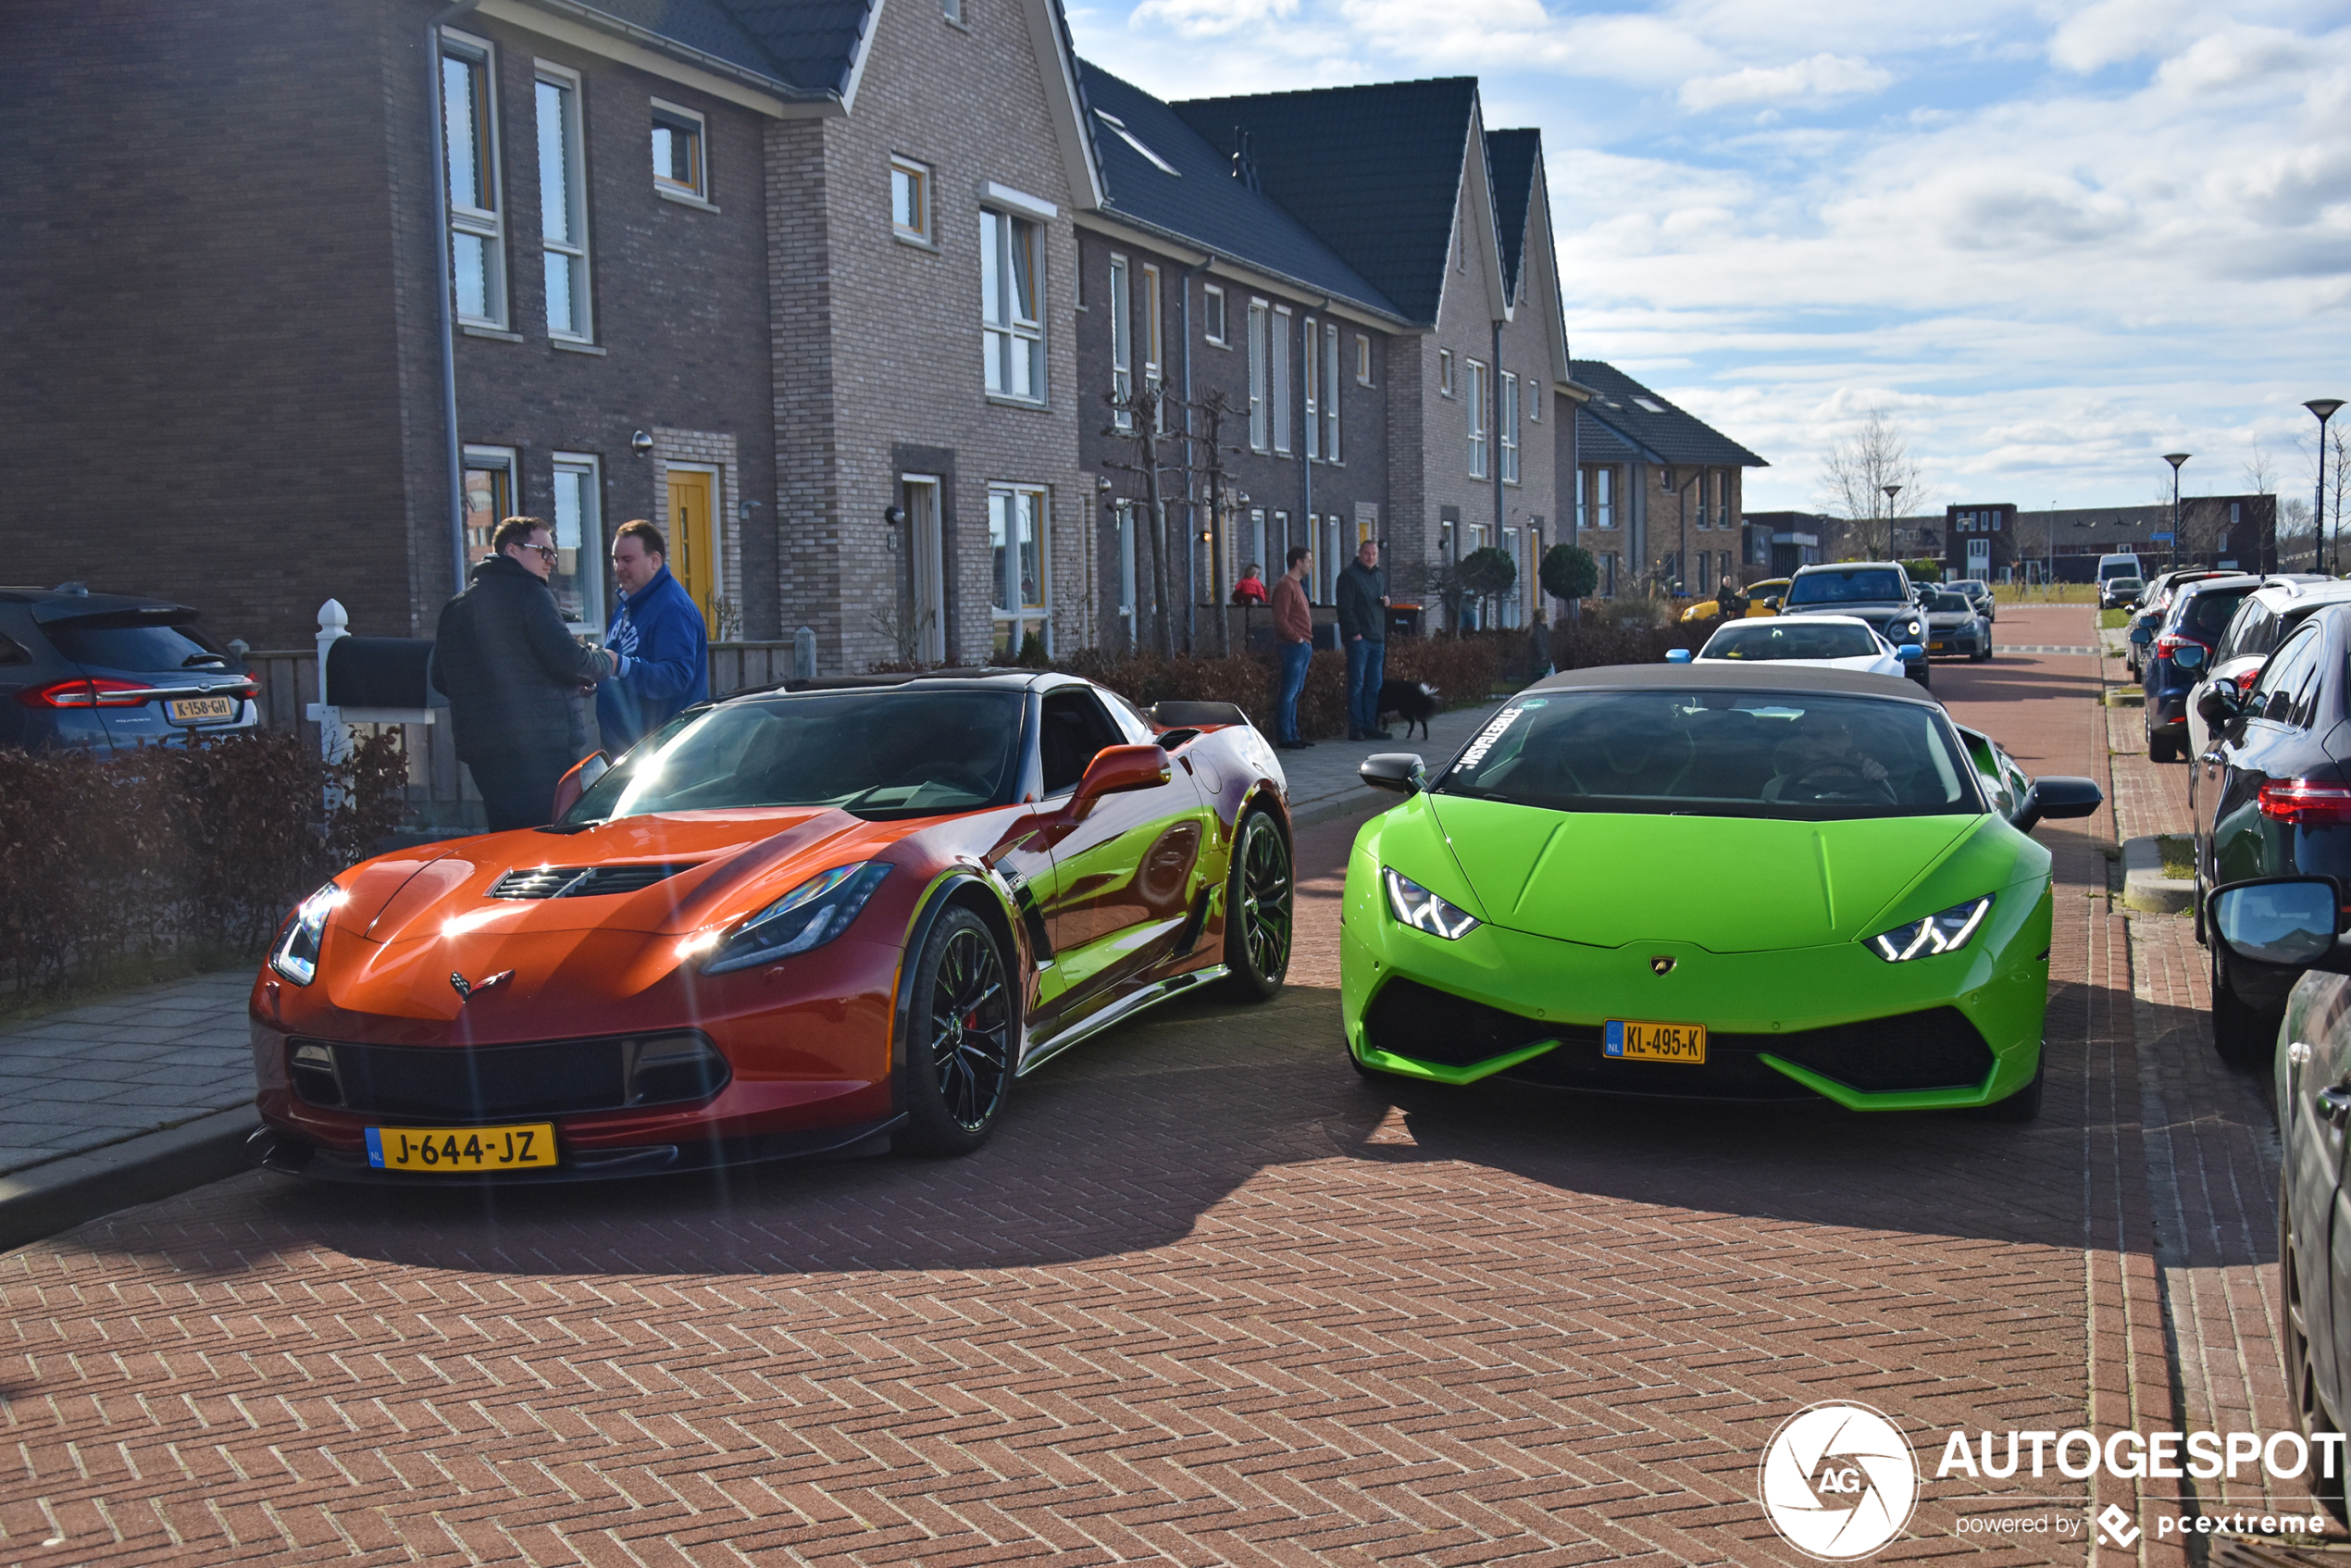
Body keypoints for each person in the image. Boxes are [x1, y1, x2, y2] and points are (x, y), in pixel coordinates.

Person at [429, 516, 619, 832]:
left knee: (508, 842)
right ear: (512, 550)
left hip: (485, 755)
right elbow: (569, 658)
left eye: (553, 554)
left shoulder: (456, 607)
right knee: (552, 842)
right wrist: (605, 661)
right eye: (542, 551)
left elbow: (440, 677)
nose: (551, 562)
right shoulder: (531, 594)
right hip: (540, 749)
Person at [598, 520, 710, 753]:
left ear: (655, 560)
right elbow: (622, 670)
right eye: (615, 559)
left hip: (665, 756)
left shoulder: (672, 608)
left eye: (627, 560)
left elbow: (676, 676)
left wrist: (619, 665)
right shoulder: (628, 603)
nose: (618, 567)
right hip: (628, 754)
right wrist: (598, 677)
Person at [1336, 538, 1390, 740]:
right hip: (1360, 639)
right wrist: (1355, 633)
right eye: (1367, 554)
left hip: (1377, 638)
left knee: (1374, 685)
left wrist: (1386, 601)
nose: (1371, 557)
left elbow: (1381, 598)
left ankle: (1370, 725)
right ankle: (1356, 727)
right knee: (1357, 683)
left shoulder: (1378, 575)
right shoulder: (1348, 576)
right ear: (1360, 554)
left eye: (1374, 554)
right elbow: (1345, 608)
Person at [1269, 546, 1314, 751]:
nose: (1310, 565)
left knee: (1296, 692)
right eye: (1308, 560)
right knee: (1289, 691)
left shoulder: (1298, 585)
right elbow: (1280, 619)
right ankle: (1285, 736)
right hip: (1292, 646)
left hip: (1302, 644)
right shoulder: (1286, 586)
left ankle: (1293, 733)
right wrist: (1297, 639)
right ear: (1298, 562)